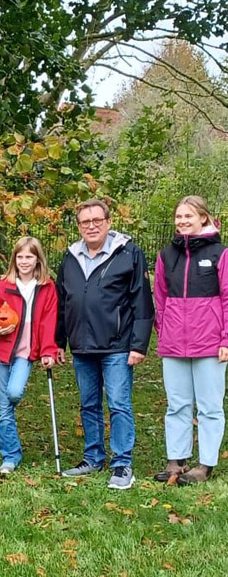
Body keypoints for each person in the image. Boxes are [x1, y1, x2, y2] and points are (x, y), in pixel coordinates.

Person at [56, 199, 154, 489]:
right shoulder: (71, 257)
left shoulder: (129, 254)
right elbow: (64, 302)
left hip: (118, 345)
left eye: (97, 220)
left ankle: (122, 464)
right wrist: (58, 341)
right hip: (82, 346)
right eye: (85, 222)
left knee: (119, 404)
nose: (91, 226)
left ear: (108, 222)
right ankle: (93, 457)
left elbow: (141, 301)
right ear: (79, 226)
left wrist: (139, 345)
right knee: (88, 405)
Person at [152, 196, 228, 485]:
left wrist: (226, 339)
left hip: (210, 343)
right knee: (177, 404)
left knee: (210, 407)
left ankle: (205, 464)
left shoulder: (221, 254)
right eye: (179, 217)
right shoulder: (166, 255)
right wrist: (164, 327)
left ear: (204, 219)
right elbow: (160, 296)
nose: (182, 221)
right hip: (174, 343)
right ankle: (177, 460)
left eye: (189, 216)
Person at [0, 238, 58, 475]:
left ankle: (10, 432)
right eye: (20, 257)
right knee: (4, 406)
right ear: (14, 259)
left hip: (26, 350)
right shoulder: (3, 286)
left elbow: (48, 321)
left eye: (29, 257)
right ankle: (10, 455)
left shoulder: (46, 287)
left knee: (13, 393)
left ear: (37, 259)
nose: (24, 262)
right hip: (2, 349)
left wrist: (48, 350)